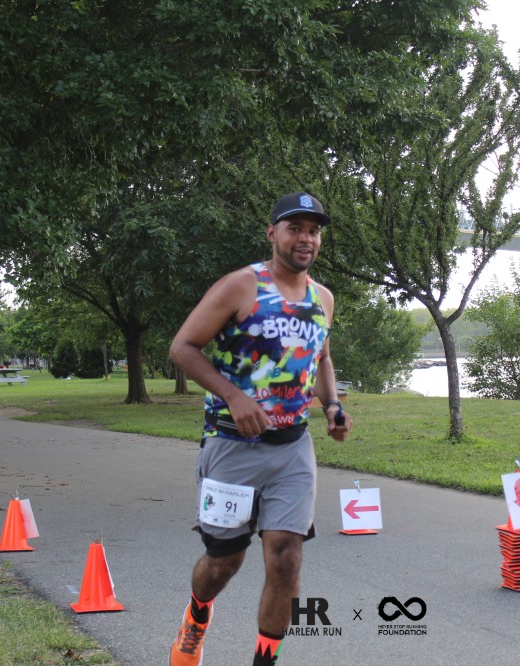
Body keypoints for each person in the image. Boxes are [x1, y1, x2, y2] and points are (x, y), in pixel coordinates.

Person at [167, 192, 353, 666]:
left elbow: (322, 358)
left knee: (287, 557)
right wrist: (234, 396)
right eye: (295, 228)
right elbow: (183, 347)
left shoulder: (323, 298)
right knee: (224, 560)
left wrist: (332, 406)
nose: (306, 238)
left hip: (292, 449)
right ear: (273, 233)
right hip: (232, 444)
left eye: (314, 231)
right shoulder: (241, 286)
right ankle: (197, 614)